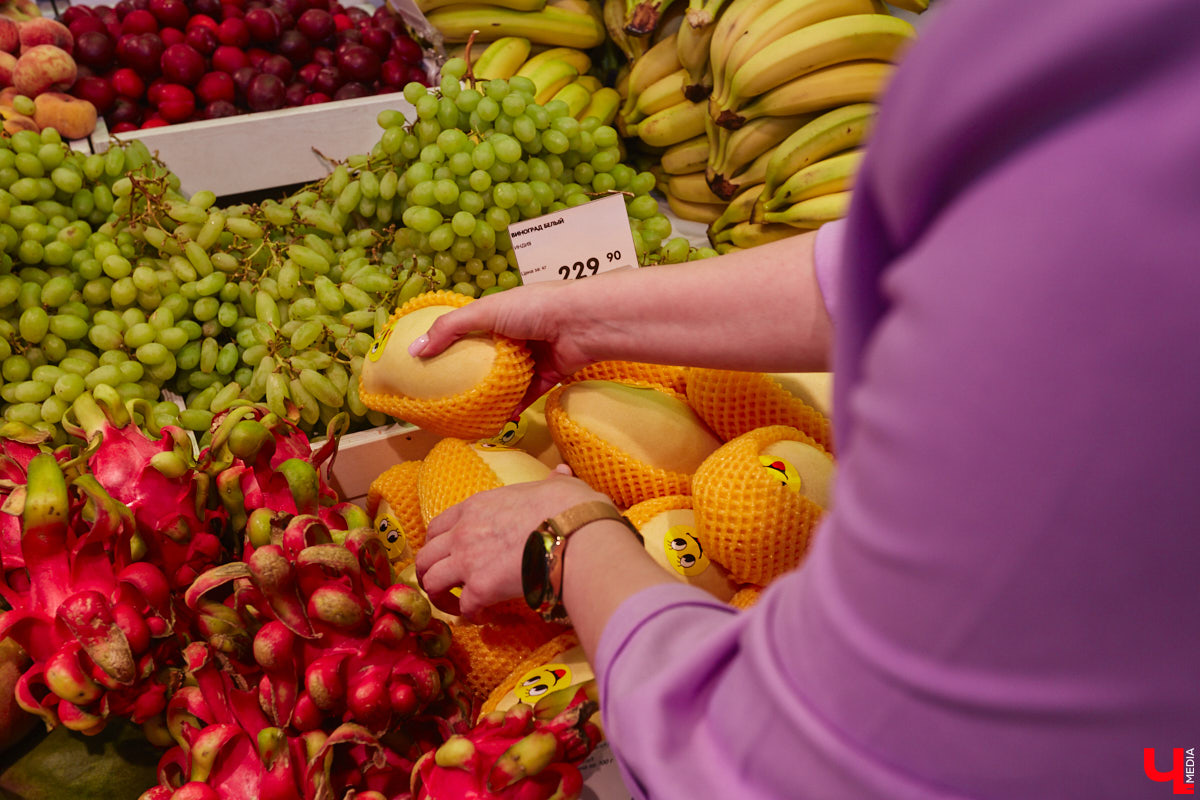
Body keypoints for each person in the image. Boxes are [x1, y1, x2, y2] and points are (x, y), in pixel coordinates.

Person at [412, 0, 1200, 796]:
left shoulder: (1126, 183)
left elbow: (782, 756)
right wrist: (588, 316)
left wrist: (572, 542)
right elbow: (897, 262)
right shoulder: (1094, 61)